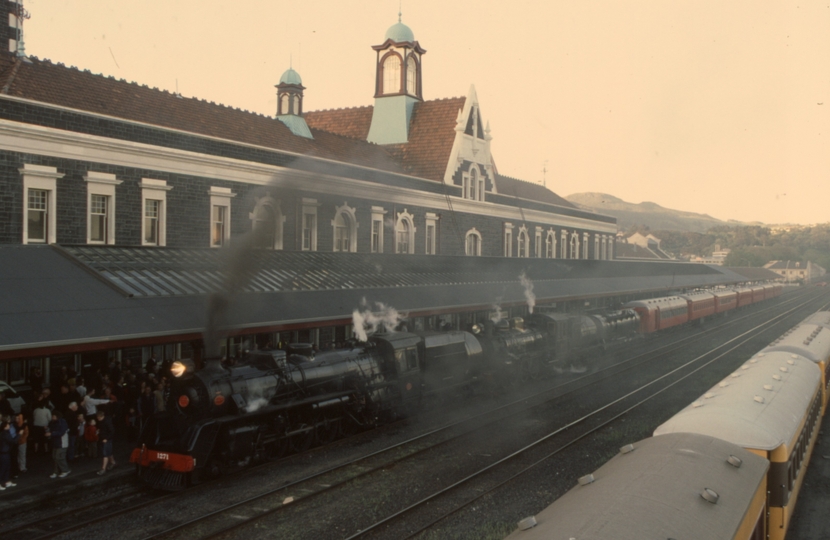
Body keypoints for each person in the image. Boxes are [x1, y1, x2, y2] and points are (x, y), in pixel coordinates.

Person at [45, 411, 70, 478]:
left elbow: (61, 432)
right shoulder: (53, 422)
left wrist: (51, 434)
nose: (52, 417)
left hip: (62, 443)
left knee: (59, 457)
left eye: (53, 416)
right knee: (55, 457)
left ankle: (65, 470)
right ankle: (56, 471)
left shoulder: (62, 422)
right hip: (56, 442)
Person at [96, 410, 116, 475]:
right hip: (103, 439)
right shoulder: (100, 422)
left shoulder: (107, 422)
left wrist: (107, 438)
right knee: (109, 452)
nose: (98, 419)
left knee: (105, 454)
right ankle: (113, 463)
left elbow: (112, 431)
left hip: (107, 439)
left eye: (99, 417)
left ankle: (103, 468)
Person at [0, 421, 18, 490]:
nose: (9, 426)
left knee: (7, 467)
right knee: (3, 468)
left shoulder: (4, 433)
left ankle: (6, 481)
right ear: (5, 427)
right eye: (7, 425)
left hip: (5, 453)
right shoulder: (5, 434)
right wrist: (18, 435)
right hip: (4, 453)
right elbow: (13, 441)